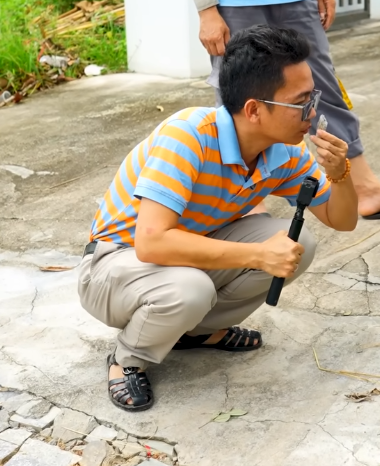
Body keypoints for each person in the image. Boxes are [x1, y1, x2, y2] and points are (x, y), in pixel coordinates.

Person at [77, 25, 359, 412]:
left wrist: (340, 172)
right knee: (191, 289)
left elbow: (341, 220)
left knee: (299, 244)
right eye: (302, 102)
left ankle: (195, 332)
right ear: (254, 110)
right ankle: (127, 359)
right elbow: (152, 242)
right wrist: (257, 256)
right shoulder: (189, 135)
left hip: (182, 255)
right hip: (113, 265)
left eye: (314, 97)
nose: (313, 112)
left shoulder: (285, 152)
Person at [180, 0, 380, 220]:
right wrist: (206, 7)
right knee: (242, 98)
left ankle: (364, 188)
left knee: (323, 89)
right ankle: (247, 202)